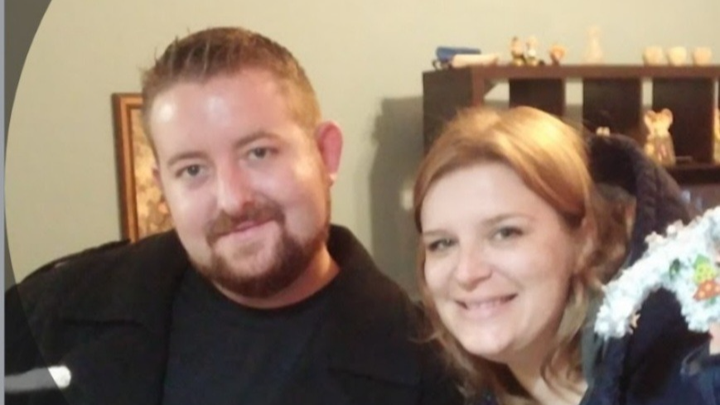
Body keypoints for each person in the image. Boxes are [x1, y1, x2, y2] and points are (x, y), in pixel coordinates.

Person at [5, 27, 462, 405]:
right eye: (193, 170)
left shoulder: (432, 373)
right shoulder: (51, 314)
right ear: (162, 187)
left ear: (326, 154)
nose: (232, 200)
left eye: (258, 153)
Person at [412, 106, 720, 405]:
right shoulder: (442, 386)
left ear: (584, 239)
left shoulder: (698, 383)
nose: (467, 272)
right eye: (442, 243)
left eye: (505, 233)